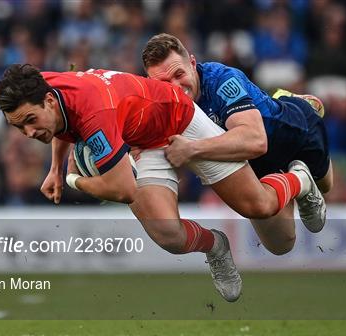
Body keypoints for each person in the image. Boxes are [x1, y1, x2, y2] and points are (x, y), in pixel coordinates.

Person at [0, 64, 323, 302]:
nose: (28, 133)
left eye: (30, 122)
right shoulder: (42, 88)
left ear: (48, 101)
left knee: (260, 206)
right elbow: (61, 122)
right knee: (168, 234)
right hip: (140, 137)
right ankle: (216, 246)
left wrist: (75, 179)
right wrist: (54, 166)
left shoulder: (95, 114)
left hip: (179, 118)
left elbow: (123, 189)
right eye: (19, 127)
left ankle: (298, 179)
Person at [142, 33, 332, 255]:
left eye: (179, 74)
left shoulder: (221, 79)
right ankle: (298, 179)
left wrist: (191, 150)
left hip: (292, 134)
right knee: (280, 245)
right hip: (251, 164)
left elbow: (255, 141)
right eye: (164, 83)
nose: (175, 87)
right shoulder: (156, 105)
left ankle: (293, 101)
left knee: (326, 185)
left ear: (193, 64)